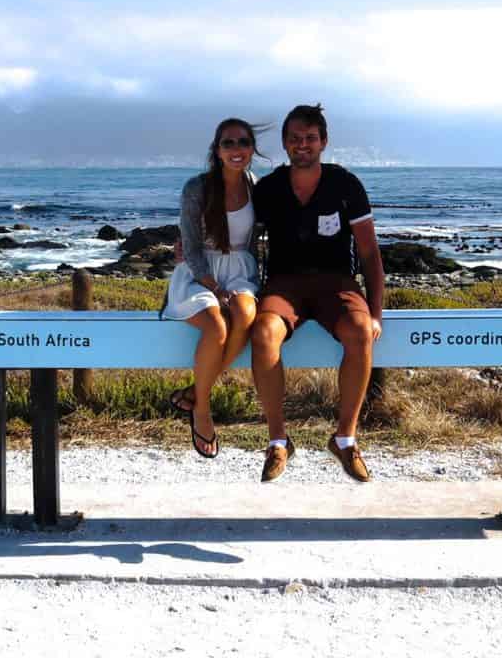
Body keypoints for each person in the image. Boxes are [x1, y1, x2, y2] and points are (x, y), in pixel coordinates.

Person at [250, 103, 384, 483]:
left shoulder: (345, 185)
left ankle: (344, 439)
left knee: (360, 333)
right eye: (294, 138)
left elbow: (371, 253)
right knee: (263, 334)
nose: (302, 144)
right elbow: (237, 238)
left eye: (310, 138)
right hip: (284, 284)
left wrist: (376, 313)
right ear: (285, 144)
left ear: (323, 142)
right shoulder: (270, 188)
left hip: (337, 284)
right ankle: (278, 440)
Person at [161, 118, 263, 458]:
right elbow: (189, 247)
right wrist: (214, 287)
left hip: (240, 270)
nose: (236, 149)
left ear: (252, 148)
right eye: (228, 143)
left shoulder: (255, 186)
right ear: (216, 150)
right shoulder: (197, 188)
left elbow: (263, 240)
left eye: (243, 142)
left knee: (245, 315)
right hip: (198, 272)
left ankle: (195, 390)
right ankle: (202, 409)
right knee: (217, 326)